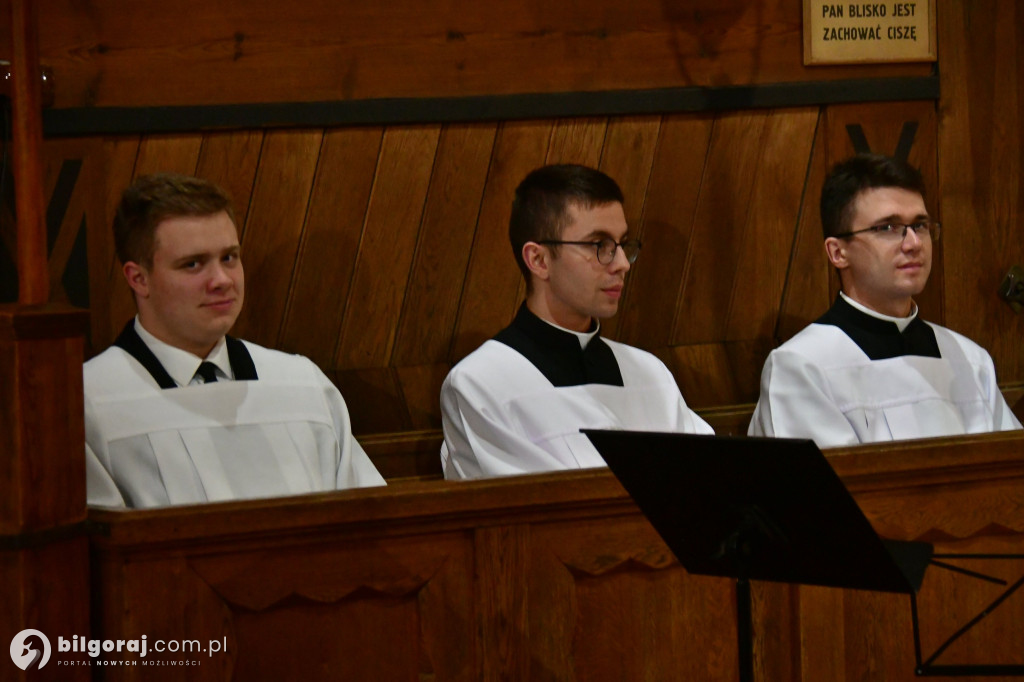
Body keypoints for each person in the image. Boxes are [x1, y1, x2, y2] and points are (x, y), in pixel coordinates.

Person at [85, 173, 385, 507]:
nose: (222, 280)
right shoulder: (90, 401)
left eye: (229, 257)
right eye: (193, 264)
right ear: (139, 278)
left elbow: (368, 519)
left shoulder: (303, 384)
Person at [440, 164, 713, 479]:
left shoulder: (649, 372)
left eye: (623, 244)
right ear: (539, 260)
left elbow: (711, 479)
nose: (622, 264)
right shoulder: (481, 384)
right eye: (599, 246)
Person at [749, 153, 1022, 447]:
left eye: (920, 225)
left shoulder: (969, 359)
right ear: (838, 252)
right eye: (887, 228)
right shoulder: (802, 367)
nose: (913, 243)